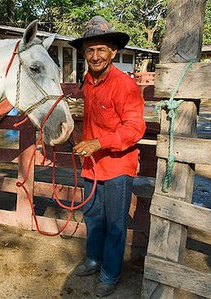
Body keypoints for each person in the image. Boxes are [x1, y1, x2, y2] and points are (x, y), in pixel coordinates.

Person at [68, 16, 146, 297]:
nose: (95, 56)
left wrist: (98, 142)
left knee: (114, 223)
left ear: (113, 52)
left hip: (117, 166)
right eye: (89, 50)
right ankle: (93, 260)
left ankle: (110, 274)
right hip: (91, 166)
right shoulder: (87, 83)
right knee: (92, 216)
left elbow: (136, 128)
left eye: (101, 50)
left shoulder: (124, 85)